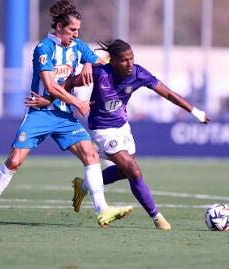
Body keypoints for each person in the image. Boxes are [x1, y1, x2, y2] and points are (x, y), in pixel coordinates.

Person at [0, 0, 133, 227]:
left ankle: (102, 210)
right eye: (72, 30)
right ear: (59, 28)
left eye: (78, 30)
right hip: (40, 114)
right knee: (15, 161)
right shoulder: (43, 48)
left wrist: (88, 65)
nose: (76, 35)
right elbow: (51, 85)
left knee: (90, 155)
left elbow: (103, 64)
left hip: (64, 117)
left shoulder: (79, 47)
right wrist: (77, 101)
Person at [26, 39, 209, 230]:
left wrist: (195, 112)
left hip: (123, 127)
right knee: (134, 170)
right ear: (112, 61)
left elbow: (168, 94)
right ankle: (157, 218)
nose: (129, 64)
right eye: (124, 60)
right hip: (102, 130)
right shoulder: (100, 73)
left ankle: (83, 187)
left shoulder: (138, 73)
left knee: (123, 171)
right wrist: (49, 99)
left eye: (131, 58)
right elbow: (70, 81)